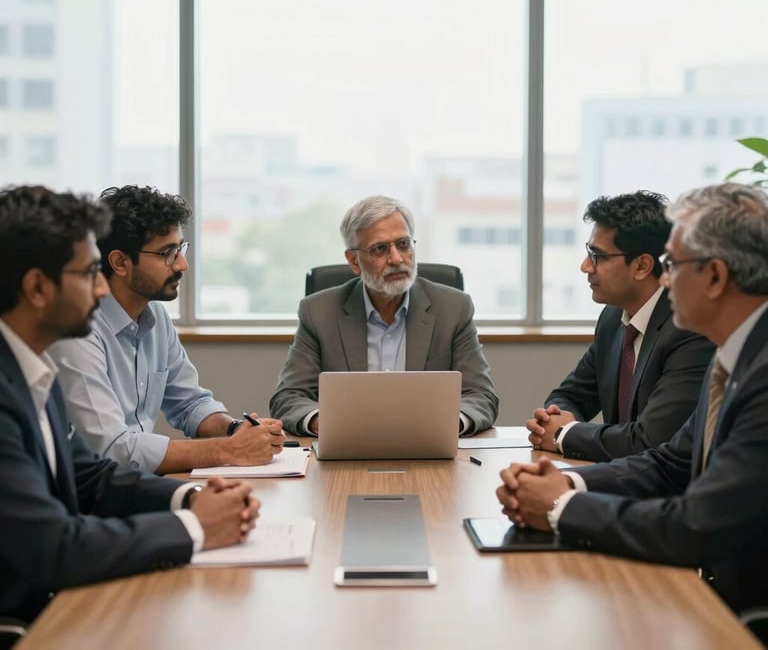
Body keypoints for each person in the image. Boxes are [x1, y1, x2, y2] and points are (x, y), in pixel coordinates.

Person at [497, 183, 768, 613]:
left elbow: (693, 526)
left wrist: (562, 506)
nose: (665, 278)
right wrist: (566, 482)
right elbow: (671, 461)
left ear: (715, 276)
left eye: (673, 264)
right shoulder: (738, 357)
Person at [0, 185, 260, 624]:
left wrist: (191, 498)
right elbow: (54, 547)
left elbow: (91, 474)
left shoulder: (30, 368)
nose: (102, 288)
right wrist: (196, 528)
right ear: (38, 288)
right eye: (88, 274)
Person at [50, 185, 284, 474]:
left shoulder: (155, 317)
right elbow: (112, 449)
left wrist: (235, 429)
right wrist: (229, 449)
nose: (182, 264)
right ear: (120, 262)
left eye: (180, 248)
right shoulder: (77, 331)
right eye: (167, 253)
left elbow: (190, 403)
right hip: (97, 494)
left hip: (136, 485)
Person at [269, 194, 498, 435]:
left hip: (430, 450)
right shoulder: (318, 312)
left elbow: (481, 395)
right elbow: (289, 396)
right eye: (380, 249)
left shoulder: (453, 308)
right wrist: (321, 421)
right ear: (354, 260)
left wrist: (452, 423)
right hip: (346, 450)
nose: (397, 259)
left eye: (403, 244)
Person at [527, 191, 713, 461]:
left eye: (597, 256)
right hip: (620, 479)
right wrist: (554, 419)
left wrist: (563, 434)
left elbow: (650, 441)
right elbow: (569, 395)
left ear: (641, 266)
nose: (585, 266)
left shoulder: (687, 329)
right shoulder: (613, 319)